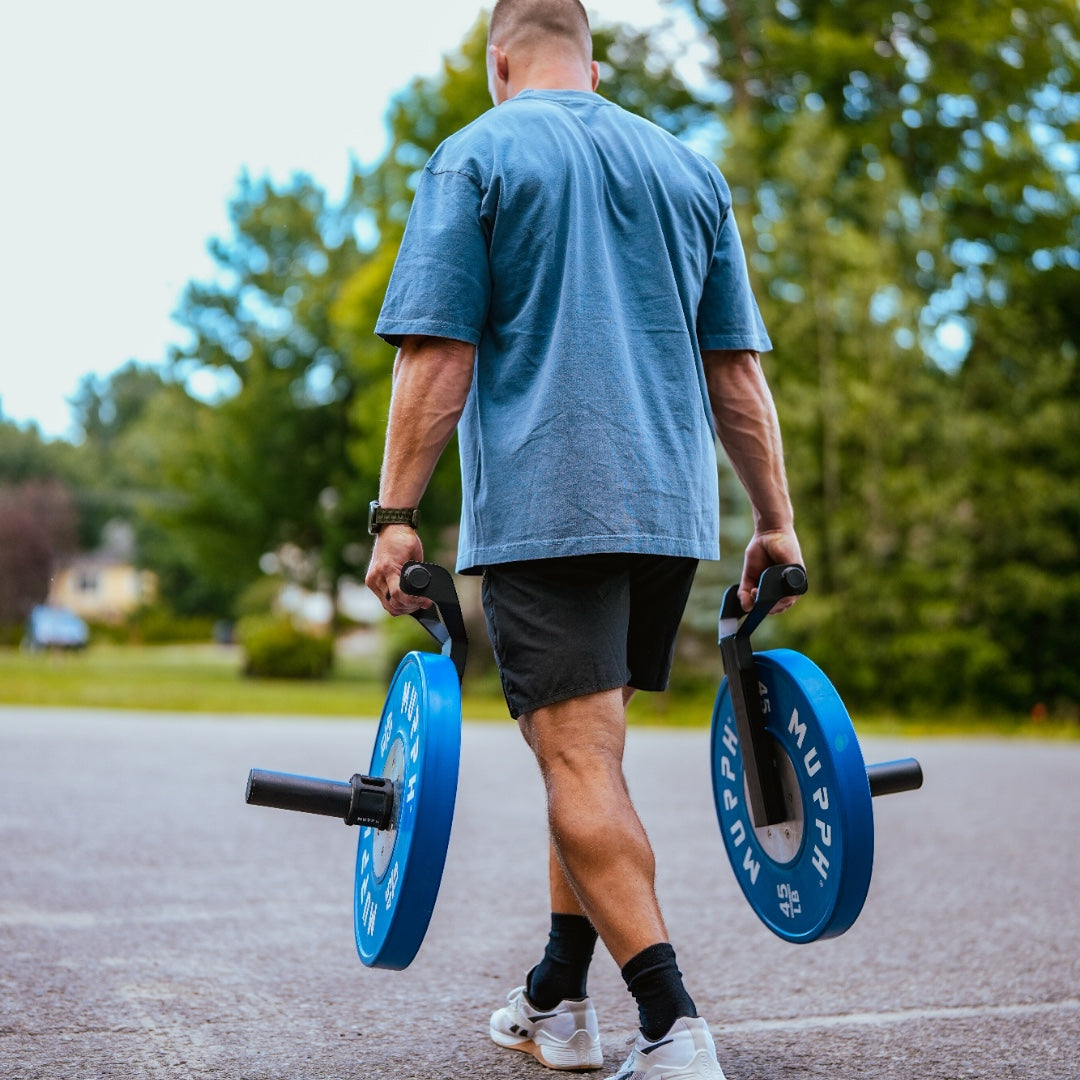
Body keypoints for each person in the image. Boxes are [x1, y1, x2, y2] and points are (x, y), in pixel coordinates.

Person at [365, 0, 803, 1076]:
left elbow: (436, 356)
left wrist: (394, 516)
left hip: (549, 507)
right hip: (667, 516)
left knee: (575, 759)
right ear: (595, 68)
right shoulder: (689, 171)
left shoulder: (475, 157)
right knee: (589, 757)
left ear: (498, 63)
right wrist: (776, 521)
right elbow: (737, 372)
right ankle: (558, 998)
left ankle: (671, 1023)